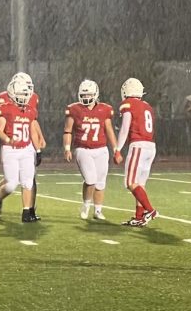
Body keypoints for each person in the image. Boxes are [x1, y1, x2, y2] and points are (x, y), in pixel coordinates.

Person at [0, 72, 45, 223]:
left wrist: (39, 143)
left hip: (26, 146)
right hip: (11, 147)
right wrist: (7, 135)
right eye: (22, 91)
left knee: (28, 180)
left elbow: (32, 124)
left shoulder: (31, 105)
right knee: (11, 182)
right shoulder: (5, 106)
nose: (26, 94)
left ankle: (28, 211)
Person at [63, 79, 120, 222]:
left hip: (101, 149)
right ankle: (86, 205)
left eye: (89, 95)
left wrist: (116, 149)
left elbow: (109, 130)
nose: (86, 98)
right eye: (84, 95)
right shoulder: (74, 109)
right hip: (83, 149)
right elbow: (68, 130)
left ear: (96, 95)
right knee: (90, 179)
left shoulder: (104, 109)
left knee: (100, 182)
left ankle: (98, 210)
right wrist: (67, 148)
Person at [116, 78, 159, 227]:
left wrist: (117, 149)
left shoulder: (128, 104)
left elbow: (125, 128)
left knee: (130, 182)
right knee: (140, 184)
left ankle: (150, 210)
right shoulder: (147, 106)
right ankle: (139, 216)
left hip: (138, 145)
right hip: (150, 146)